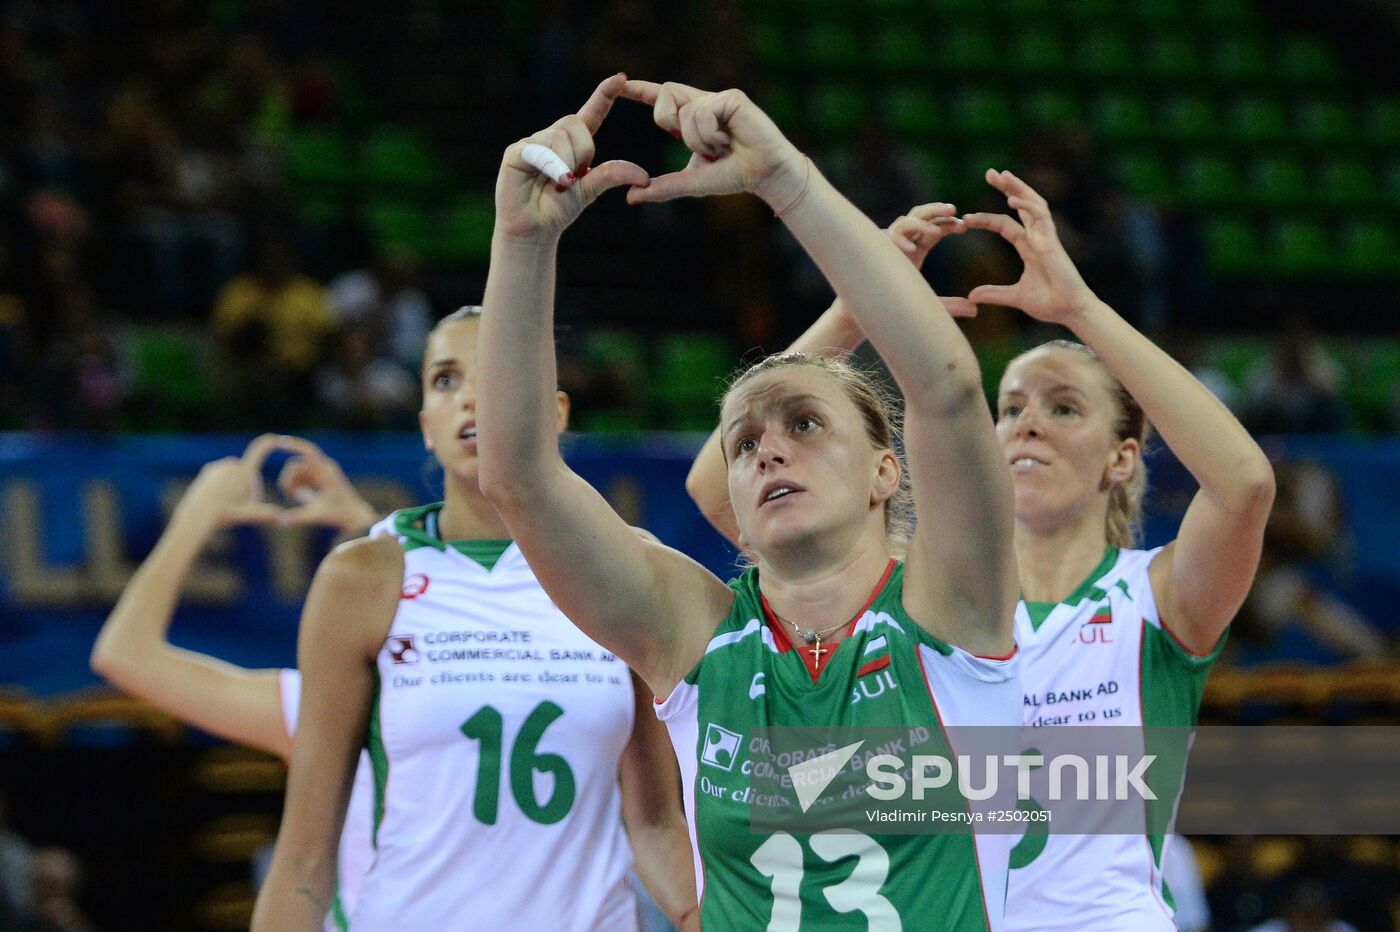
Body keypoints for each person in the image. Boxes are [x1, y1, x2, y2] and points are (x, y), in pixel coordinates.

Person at [475, 74, 1019, 930]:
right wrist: (521, 241)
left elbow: (947, 386)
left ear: (887, 471)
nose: (768, 447)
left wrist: (787, 182)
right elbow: (519, 478)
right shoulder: (699, 635)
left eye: (804, 422)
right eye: (743, 441)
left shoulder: (951, 613)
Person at [688, 168, 1276, 931]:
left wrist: (1082, 311)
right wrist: (850, 314)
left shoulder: (1152, 599)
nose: (1026, 425)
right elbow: (715, 488)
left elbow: (1245, 486)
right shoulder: (919, 594)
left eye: (1063, 408)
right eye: (1010, 408)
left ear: (1122, 458)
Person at [252, 306, 697, 932]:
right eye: (445, 380)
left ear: (558, 412)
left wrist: (707, 916)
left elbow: (654, 821)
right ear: (425, 427)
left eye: (496, 374)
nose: (470, 399)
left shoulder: (625, 569)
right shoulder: (362, 578)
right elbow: (305, 853)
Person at [91, 433, 383, 930]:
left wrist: (196, 515)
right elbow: (124, 655)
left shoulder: (330, 711)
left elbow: (124, 652)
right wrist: (365, 526)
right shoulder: (331, 709)